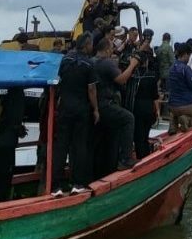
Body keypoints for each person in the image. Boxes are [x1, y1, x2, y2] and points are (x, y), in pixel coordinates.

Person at [51, 33, 99, 196]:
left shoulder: (64, 60)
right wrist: (96, 109)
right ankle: (77, 184)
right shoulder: (89, 64)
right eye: (91, 44)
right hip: (81, 109)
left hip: (64, 107)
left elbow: (57, 82)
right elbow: (91, 89)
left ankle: (56, 186)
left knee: (61, 146)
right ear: (86, 45)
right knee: (79, 146)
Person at [93, 37, 141, 172]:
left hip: (94, 105)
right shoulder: (107, 63)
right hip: (105, 104)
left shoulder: (92, 61)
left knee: (107, 136)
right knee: (128, 118)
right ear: (107, 49)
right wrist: (132, 64)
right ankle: (125, 159)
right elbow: (121, 80)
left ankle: (102, 167)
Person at [0, 88, 26, 203]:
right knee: (2, 180)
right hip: (4, 147)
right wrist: (17, 128)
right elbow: (11, 122)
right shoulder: (15, 99)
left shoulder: (4, 101)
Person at [124, 28, 160, 160]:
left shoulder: (133, 77)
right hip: (148, 108)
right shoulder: (151, 76)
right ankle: (145, 157)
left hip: (137, 108)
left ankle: (141, 157)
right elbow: (155, 96)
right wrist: (157, 111)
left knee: (139, 136)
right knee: (144, 136)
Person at [167, 43, 192, 134]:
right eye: (189, 55)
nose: (189, 59)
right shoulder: (185, 68)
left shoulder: (171, 68)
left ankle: (173, 120)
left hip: (172, 105)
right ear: (185, 54)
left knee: (177, 109)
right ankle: (187, 120)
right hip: (185, 104)